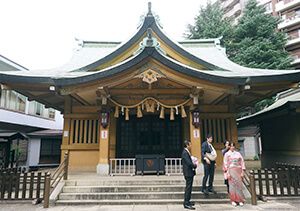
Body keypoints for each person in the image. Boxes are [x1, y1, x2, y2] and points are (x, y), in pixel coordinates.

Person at [223, 142, 246, 207]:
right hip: (231, 170)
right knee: (232, 186)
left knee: (239, 185)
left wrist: (242, 171)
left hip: (238, 170)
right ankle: (233, 200)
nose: (232, 147)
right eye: (231, 146)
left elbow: (242, 162)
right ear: (229, 147)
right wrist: (227, 173)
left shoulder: (238, 153)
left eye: (233, 146)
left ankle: (240, 200)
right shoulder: (227, 154)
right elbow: (225, 164)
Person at [182, 140, 197, 210]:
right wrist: (194, 165)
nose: (191, 146)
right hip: (188, 172)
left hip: (190, 172)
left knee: (189, 187)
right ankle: (186, 202)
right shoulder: (185, 153)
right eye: (190, 144)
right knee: (188, 188)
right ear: (187, 145)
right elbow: (189, 163)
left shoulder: (187, 152)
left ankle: (188, 201)